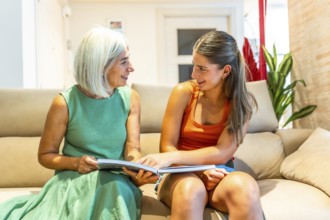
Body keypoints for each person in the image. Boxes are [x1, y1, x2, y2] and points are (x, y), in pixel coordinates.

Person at [0, 26, 158, 220]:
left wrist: (137, 167)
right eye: (124, 61)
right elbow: (45, 155)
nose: (131, 67)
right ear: (101, 65)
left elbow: (133, 147)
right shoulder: (65, 102)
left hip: (116, 180)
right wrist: (76, 163)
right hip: (73, 179)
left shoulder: (131, 98)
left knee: (114, 187)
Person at [138, 31, 264, 220]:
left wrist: (175, 158)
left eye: (202, 68)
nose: (194, 74)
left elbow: (222, 153)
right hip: (179, 173)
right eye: (194, 66)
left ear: (226, 71)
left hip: (219, 173)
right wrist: (200, 171)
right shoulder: (183, 93)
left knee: (246, 188)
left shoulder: (241, 104)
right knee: (191, 189)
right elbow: (166, 147)